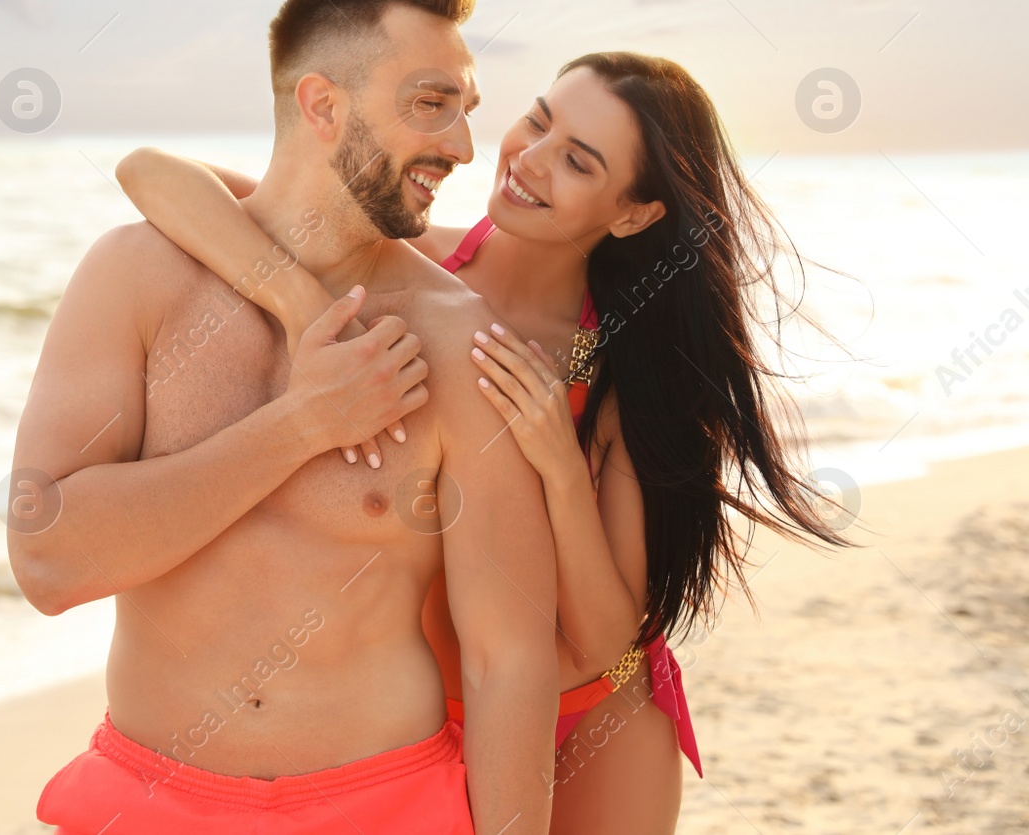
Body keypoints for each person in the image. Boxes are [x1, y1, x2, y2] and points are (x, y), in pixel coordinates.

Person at [116, 50, 850, 834]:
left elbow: (605, 635)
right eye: (538, 118)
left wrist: (560, 463)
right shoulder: (403, 265)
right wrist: (297, 301)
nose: (529, 158)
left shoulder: (626, 366)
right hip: (423, 730)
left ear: (632, 213)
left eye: (576, 160)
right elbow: (150, 172)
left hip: (600, 719)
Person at [9, 0, 559, 834]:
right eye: (431, 103)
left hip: (386, 806)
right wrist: (301, 426)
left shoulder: (456, 338)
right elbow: (48, 562)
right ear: (323, 105)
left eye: (466, 111)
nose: (461, 146)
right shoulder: (135, 278)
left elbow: (510, 656)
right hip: (147, 807)